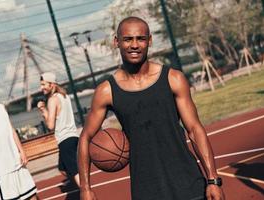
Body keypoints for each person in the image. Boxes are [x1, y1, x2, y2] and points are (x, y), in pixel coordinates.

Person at [78, 16, 225, 200]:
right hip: (146, 190)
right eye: (127, 39)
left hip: (188, 183)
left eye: (140, 38)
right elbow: (85, 137)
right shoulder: (106, 91)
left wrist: (213, 180)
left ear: (149, 40)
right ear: (116, 42)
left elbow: (194, 130)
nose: (134, 45)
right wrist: (85, 188)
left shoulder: (173, 79)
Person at [37, 72, 80, 187]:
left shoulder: (52, 100)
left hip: (65, 140)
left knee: (76, 172)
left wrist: (43, 109)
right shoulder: (64, 96)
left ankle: (86, 192)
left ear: (52, 84)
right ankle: (78, 185)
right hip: (73, 137)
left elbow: (51, 126)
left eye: (43, 84)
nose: (41, 88)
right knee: (62, 168)